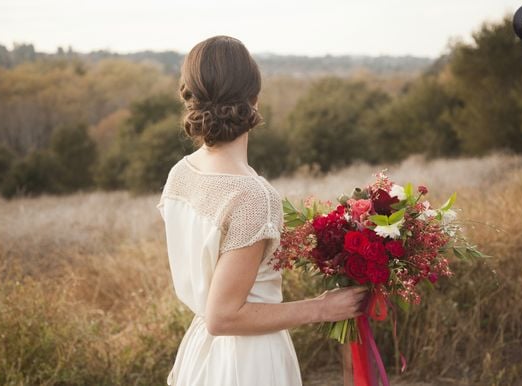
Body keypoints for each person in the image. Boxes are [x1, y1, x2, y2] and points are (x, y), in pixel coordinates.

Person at [156, 35, 367, 386]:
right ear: (254, 99)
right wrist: (323, 307)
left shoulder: (181, 174)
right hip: (246, 362)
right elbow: (223, 317)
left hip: (202, 354)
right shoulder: (252, 196)